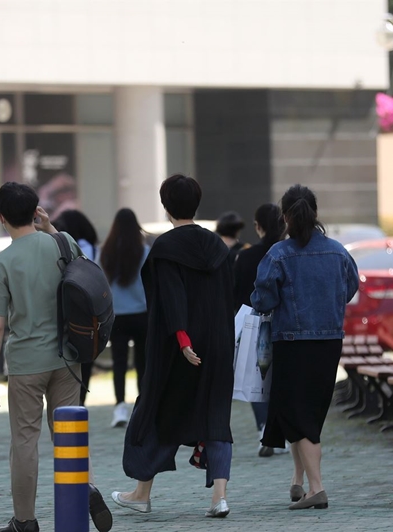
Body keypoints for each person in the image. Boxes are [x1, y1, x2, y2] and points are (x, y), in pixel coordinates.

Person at [0, 182, 112, 532]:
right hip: (68, 356)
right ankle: (88, 487)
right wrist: (50, 226)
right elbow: (83, 272)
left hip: (25, 363)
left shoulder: (2, 262)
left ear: (2, 217)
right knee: (68, 434)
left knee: (24, 442)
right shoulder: (62, 241)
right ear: (36, 211)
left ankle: (25, 521)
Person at [111, 174, 235, 519]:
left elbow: (171, 299)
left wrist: (182, 340)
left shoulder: (165, 249)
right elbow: (230, 298)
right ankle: (219, 498)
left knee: (157, 412)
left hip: (179, 350)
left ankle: (141, 493)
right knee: (215, 417)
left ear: (166, 206)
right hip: (219, 346)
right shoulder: (218, 248)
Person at [251, 184, 359, 510]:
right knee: (307, 414)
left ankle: (317, 488)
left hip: (292, 343)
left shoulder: (278, 254)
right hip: (329, 342)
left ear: (285, 216)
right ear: (315, 213)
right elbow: (350, 287)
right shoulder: (338, 251)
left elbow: (262, 298)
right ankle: (298, 482)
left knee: (299, 416)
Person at [232, 203, 286, 458]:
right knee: (282, 378)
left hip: (253, 324)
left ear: (258, 227)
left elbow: (234, 293)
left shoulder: (246, 256)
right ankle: (281, 433)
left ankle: (263, 428)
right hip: (285, 323)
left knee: (256, 376)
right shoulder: (287, 252)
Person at [99, 208, 150, 428]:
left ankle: (120, 407)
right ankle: (143, 407)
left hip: (117, 315)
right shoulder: (145, 251)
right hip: (142, 313)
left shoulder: (106, 252)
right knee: (143, 363)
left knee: (119, 363)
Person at [51, 209, 99, 405]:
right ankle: (80, 402)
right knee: (85, 356)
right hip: (89, 310)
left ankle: (73, 402)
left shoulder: (72, 247)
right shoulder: (92, 247)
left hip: (71, 308)